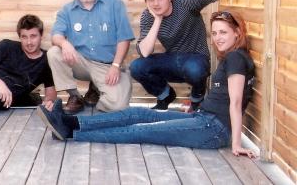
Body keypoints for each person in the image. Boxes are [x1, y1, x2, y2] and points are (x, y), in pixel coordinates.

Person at [37, 11, 257, 157]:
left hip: (213, 129)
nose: (218, 37)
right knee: (136, 114)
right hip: (203, 119)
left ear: (238, 32)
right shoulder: (232, 57)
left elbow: (235, 103)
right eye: (215, 32)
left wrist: (236, 144)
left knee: (141, 130)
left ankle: (71, 133)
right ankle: (71, 122)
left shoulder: (237, 58)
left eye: (224, 32)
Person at [129, 0, 247, 110]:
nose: (156, 3)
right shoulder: (148, 16)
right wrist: (157, 19)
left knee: (195, 69)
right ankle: (165, 96)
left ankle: (197, 100)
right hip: (171, 60)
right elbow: (145, 52)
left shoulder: (185, 4)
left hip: (196, 59)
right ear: (146, 0)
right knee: (137, 66)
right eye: (151, 0)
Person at [48, 0, 135, 114]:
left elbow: (124, 38)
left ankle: (95, 90)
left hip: (107, 66)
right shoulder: (66, 10)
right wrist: (64, 43)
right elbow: (56, 35)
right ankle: (75, 96)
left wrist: (115, 66)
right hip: (80, 62)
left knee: (119, 106)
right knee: (54, 52)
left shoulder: (115, 4)